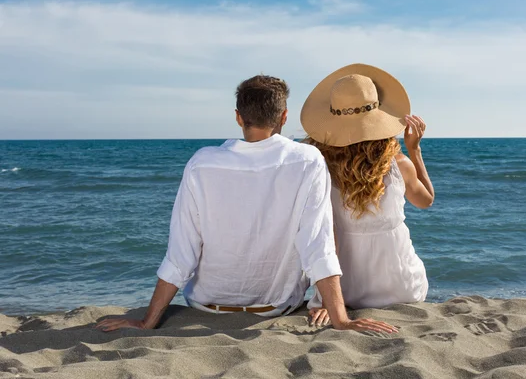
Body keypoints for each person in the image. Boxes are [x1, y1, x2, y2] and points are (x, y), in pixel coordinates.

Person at [97, 75, 397, 333]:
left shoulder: (201, 163)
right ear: (283, 117)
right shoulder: (307, 161)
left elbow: (181, 253)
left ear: (239, 117)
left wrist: (148, 321)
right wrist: (340, 319)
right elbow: (318, 246)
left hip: (206, 307)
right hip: (273, 309)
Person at [301, 64, 434, 310]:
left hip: (347, 290)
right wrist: (414, 149)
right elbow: (426, 201)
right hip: (403, 287)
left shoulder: (321, 168)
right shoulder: (399, 165)